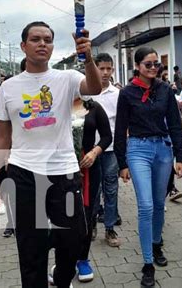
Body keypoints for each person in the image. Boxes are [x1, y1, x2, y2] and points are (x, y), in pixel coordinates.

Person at [0, 21, 101, 288]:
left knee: (73, 239)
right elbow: (1, 135)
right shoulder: (9, 87)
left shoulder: (67, 78)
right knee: (30, 248)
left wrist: (88, 57)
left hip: (63, 173)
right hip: (24, 174)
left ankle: (61, 279)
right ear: (24, 46)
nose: (42, 44)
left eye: (48, 40)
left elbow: (94, 88)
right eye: (36, 39)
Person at [114, 47, 182, 287]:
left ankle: (156, 243)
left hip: (163, 150)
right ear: (137, 66)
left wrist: (180, 156)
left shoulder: (165, 90)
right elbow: (120, 129)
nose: (154, 68)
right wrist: (122, 162)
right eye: (149, 64)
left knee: (158, 204)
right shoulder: (126, 93)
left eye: (157, 64)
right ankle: (147, 264)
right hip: (138, 150)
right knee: (145, 206)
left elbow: (175, 124)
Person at [74, 96, 111, 283]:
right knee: (62, 215)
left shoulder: (94, 107)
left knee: (87, 214)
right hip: (61, 168)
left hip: (89, 166)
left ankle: (82, 259)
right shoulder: (56, 105)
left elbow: (107, 136)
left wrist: (94, 152)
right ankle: (64, 259)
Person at [90, 53, 122, 248]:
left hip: (110, 151)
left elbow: (121, 125)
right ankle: (91, 223)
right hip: (89, 151)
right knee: (93, 190)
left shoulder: (118, 95)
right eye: (101, 68)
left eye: (108, 69)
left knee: (111, 190)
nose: (104, 73)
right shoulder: (85, 92)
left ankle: (109, 227)